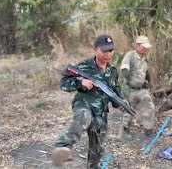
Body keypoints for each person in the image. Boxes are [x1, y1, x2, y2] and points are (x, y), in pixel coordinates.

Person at [52, 34, 126, 168]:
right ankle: (63, 146)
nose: (108, 54)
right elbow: (64, 83)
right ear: (95, 49)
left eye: (111, 50)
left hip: (101, 113)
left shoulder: (112, 71)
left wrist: (121, 103)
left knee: (97, 151)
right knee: (84, 118)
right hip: (84, 104)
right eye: (104, 50)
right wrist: (81, 82)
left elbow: (115, 93)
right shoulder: (84, 66)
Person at [120, 35, 156, 141]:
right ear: (138, 45)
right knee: (128, 110)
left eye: (147, 47)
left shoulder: (145, 59)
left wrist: (148, 82)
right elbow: (124, 70)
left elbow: (146, 72)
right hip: (130, 89)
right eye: (143, 46)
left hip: (142, 89)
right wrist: (131, 81)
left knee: (149, 108)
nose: (146, 49)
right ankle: (125, 131)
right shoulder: (130, 56)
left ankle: (148, 131)